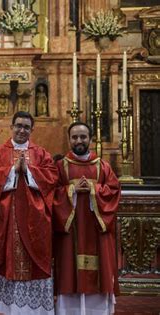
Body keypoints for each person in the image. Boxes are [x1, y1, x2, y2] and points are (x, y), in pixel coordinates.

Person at [0, 111, 58, 315]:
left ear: (32, 130)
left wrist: (30, 171)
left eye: (26, 127)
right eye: (18, 126)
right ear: (11, 127)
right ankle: (7, 307)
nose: (22, 130)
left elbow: (52, 177)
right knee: (7, 260)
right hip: (6, 220)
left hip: (35, 221)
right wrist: (12, 170)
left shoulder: (41, 153)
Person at [53, 122, 120, 315]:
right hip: (70, 230)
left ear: (90, 139)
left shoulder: (102, 166)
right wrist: (71, 191)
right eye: (74, 137)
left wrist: (93, 190)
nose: (79, 141)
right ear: (69, 139)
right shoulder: (61, 166)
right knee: (69, 272)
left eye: (83, 137)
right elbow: (52, 194)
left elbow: (114, 191)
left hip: (96, 230)